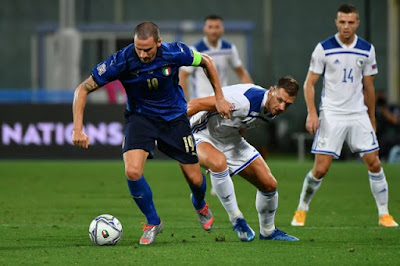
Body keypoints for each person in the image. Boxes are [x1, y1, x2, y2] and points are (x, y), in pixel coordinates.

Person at [72, 21, 232, 245]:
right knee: (133, 171)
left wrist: (219, 97)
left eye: (147, 49)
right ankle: (153, 221)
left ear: (159, 43)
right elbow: (83, 89)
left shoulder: (174, 52)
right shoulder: (122, 60)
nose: (143, 54)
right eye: (139, 48)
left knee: (196, 180)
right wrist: (77, 129)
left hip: (174, 119)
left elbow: (206, 61)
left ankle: (199, 202)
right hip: (140, 118)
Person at [291, 4, 398, 227]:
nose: (346, 26)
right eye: (342, 22)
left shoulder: (367, 49)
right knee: (321, 169)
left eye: (350, 22)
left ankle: (384, 214)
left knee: (374, 163)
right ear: (336, 22)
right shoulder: (324, 48)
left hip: (358, 113)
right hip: (332, 114)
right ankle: (302, 208)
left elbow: (369, 87)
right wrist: (312, 113)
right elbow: (309, 83)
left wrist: (372, 118)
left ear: (357, 23)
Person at [188, 76, 299, 241]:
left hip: (230, 139)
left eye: (287, 104)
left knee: (269, 184)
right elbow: (195, 104)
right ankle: (237, 219)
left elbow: (242, 122)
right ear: (271, 91)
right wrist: (172, 129)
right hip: (200, 133)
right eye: (280, 100)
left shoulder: (272, 110)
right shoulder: (242, 101)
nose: (282, 107)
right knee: (218, 163)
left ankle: (268, 232)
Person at [179, 15, 253, 100]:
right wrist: (185, 102)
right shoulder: (195, 50)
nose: (213, 31)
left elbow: (242, 73)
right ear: (204, 29)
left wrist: (252, 94)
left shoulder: (229, 48)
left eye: (217, 27)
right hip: (202, 101)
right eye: (210, 27)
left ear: (222, 29)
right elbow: (183, 75)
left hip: (222, 100)